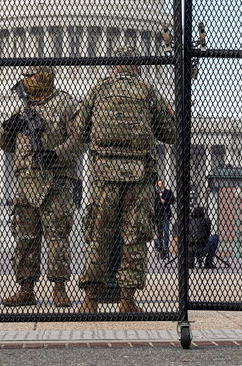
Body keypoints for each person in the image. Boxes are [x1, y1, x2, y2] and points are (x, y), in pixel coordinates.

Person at [75, 46, 177, 313]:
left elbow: (78, 129)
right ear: (137, 65)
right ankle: (127, 300)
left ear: (114, 65)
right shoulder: (147, 91)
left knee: (99, 237)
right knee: (135, 238)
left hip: (104, 175)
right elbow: (169, 133)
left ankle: (90, 299)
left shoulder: (98, 89)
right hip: (139, 176)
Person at [0, 66, 85, 308]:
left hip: (56, 179)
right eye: (25, 76)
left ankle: (59, 288)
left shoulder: (67, 103)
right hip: (26, 180)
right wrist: (8, 129)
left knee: (57, 237)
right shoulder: (22, 107)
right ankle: (26, 289)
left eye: (32, 75)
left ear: (45, 76)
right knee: (25, 237)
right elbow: (6, 146)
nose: (27, 80)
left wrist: (55, 155)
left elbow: (80, 140)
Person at [154, 180, 175, 259]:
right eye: (158, 184)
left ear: (164, 184)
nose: (160, 185)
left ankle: (165, 248)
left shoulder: (168, 192)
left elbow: (173, 200)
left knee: (166, 231)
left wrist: (165, 201)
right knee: (159, 232)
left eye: (161, 184)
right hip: (158, 215)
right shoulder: (155, 193)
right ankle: (160, 248)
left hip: (166, 214)